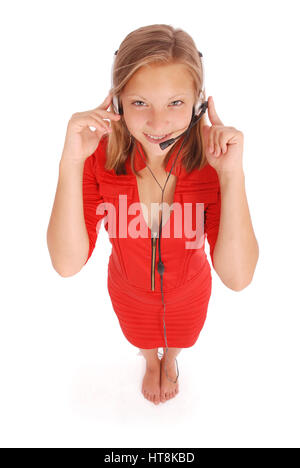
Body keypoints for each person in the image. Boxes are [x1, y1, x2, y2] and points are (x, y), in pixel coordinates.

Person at [47, 24, 259, 406]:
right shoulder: (98, 159)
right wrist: (71, 162)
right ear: (117, 105)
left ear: (198, 104)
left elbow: (238, 277)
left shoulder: (215, 165)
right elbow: (66, 264)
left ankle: (172, 360)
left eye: (175, 103)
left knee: (180, 340)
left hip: (190, 294)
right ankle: (150, 361)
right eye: (140, 103)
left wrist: (231, 175)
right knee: (143, 340)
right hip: (129, 294)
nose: (158, 124)